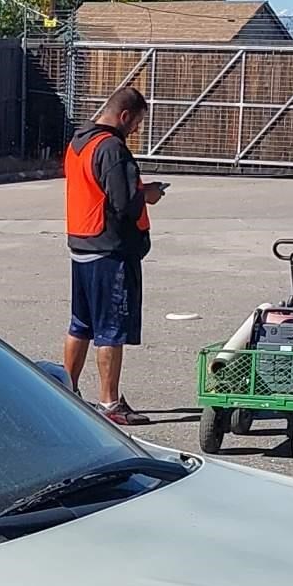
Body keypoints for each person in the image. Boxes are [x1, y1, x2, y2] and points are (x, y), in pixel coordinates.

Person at [62, 88, 167, 425]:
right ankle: (109, 403)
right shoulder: (112, 148)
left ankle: (67, 390)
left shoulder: (78, 143)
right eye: (136, 123)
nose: (136, 130)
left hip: (82, 245)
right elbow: (124, 203)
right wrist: (147, 194)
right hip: (109, 250)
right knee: (110, 329)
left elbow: (99, 190)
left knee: (81, 325)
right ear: (124, 116)